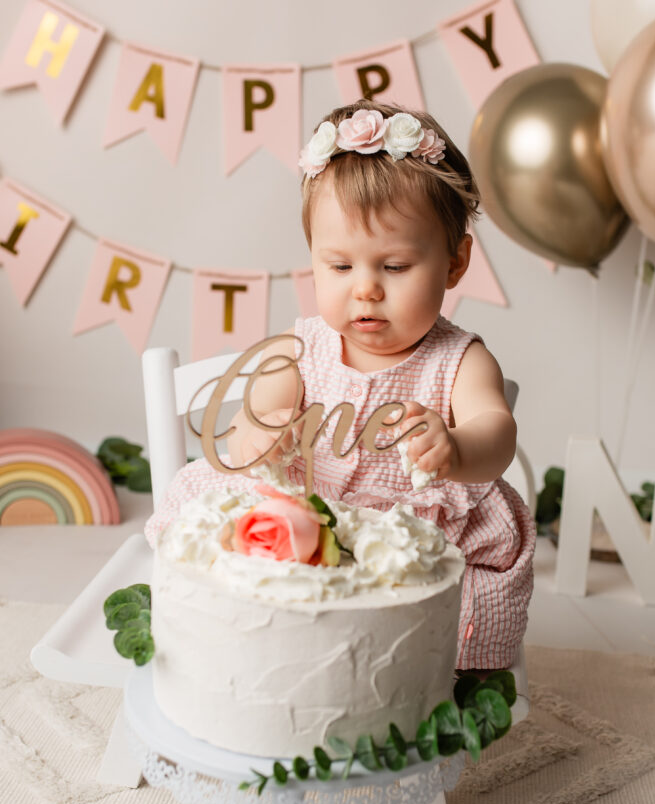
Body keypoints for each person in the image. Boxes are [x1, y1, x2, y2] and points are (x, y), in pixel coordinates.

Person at [145, 100, 535, 670]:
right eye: (339, 266)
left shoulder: (460, 359)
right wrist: (261, 430)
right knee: (220, 517)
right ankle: (240, 648)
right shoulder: (300, 348)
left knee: (466, 583)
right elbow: (260, 410)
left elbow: (496, 431)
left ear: (455, 263)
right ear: (312, 260)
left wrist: (456, 447)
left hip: (411, 541)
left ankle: (424, 675)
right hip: (306, 521)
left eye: (395, 267)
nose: (366, 290)